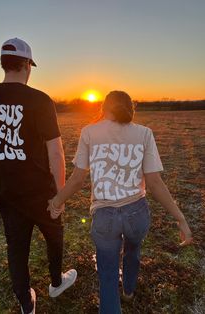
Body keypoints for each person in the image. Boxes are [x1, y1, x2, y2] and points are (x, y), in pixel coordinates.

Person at [48, 91, 193, 314]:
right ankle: (129, 290)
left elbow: (78, 179)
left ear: (104, 107)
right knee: (133, 251)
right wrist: (180, 219)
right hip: (137, 214)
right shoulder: (144, 133)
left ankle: (118, 296)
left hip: (104, 216)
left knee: (107, 277)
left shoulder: (89, 132)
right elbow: (154, 183)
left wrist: (56, 202)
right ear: (130, 109)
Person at [0, 38, 77, 314]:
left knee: (16, 247)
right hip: (42, 193)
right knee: (54, 236)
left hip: (7, 193)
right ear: (27, 65)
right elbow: (56, 153)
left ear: (3, 64)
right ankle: (56, 283)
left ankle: (25, 302)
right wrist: (60, 194)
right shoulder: (40, 100)